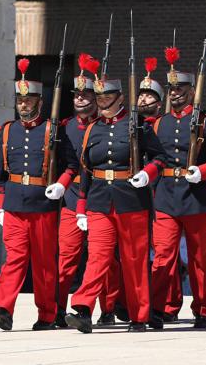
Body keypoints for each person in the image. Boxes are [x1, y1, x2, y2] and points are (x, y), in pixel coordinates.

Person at [65, 71, 168, 333]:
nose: (102, 102)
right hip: (100, 201)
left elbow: (160, 158)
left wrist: (147, 174)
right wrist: (81, 209)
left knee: (134, 260)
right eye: (99, 97)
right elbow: (85, 169)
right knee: (98, 256)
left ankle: (139, 315)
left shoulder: (139, 125)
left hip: (132, 200)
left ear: (120, 98)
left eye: (108, 97)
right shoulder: (92, 129)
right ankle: (83, 308)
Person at [0, 58, 75, 331]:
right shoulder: (8, 130)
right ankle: (2, 307)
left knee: (44, 264)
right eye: (20, 100)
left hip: (42, 203)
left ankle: (47, 314)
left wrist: (61, 185)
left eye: (29, 100)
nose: (23, 104)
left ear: (39, 102)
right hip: (13, 204)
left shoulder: (52, 130)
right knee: (15, 258)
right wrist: (1, 206)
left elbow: (71, 165)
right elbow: (1, 174)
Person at [148, 49, 206, 330]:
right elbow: (152, 157)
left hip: (195, 196)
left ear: (191, 90)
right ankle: (157, 308)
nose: (174, 94)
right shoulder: (160, 122)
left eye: (180, 89)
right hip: (166, 196)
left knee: (199, 258)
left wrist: (204, 171)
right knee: (163, 256)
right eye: (171, 89)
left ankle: (203, 308)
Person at [50, 53, 124, 328]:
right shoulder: (65, 127)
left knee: (102, 259)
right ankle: (58, 310)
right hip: (72, 198)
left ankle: (107, 308)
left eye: (86, 95)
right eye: (76, 95)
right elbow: (66, 164)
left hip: (99, 198)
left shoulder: (104, 126)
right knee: (67, 257)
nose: (80, 99)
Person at [138, 56, 184, 322]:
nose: (143, 100)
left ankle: (168, 302)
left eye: (149, 96)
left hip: (161, 191)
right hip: (136, 192)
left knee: (164, 252)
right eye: (141, 95)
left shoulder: (163, 124)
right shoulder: (134, 125)